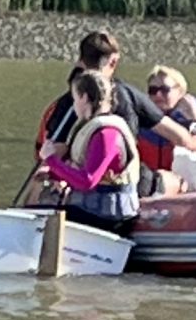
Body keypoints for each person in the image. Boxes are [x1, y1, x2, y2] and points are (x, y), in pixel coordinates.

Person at [37, 31, 196, 162]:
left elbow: (53, 151)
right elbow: (182, 139)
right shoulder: (128, 95)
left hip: (78, 180)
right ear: (113, 61)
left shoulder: (67, 102)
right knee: (175, 182)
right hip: (121, 185)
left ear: (81, 61)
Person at [36, 69, 141, 231]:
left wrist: (51, 160)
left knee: (34, 216)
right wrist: (52, 173)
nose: (74, 105)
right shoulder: (94, 128)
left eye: (75, 98)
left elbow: (88, 181)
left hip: (108, 218)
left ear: (84, 97)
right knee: (35, 211)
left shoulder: (107, 134)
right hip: (91, 211)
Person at [137, 65, 196, 190]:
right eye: (153, 90)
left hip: (189, 187)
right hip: (149, 185)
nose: (158, 95)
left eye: (164, 90)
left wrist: (194, 116)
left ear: (180, 92)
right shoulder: (140, 118)